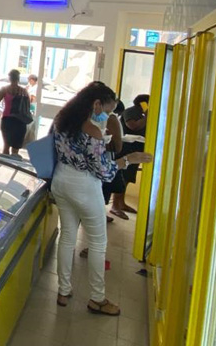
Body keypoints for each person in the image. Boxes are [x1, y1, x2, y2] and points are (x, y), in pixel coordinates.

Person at [51, 81, 153, 316]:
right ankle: (97, 298)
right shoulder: (93, 131)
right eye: (107, 110)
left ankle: (63, 291)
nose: (108, 116)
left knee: (67, 236)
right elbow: (104, 172)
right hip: (84, 187)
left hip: (61, 181)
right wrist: (129, 159)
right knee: (98, 243)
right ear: (96, 104)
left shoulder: (61, 120)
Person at [109, 97, 149, 219]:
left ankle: (121, 203)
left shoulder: (141, 113)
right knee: (122, 177)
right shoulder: (132, 111)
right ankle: (115, 206)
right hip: (127, 149)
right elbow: (133, 126)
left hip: (136, 150)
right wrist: (147, 115)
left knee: (128, 178)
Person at [0, 69, 29, 156]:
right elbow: (27, 107)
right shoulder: (24, 91)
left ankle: (4, 162)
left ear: (9, 78)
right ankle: (13, 163)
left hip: (8, 120)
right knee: (15, 150)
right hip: (20, 122)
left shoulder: (5, 89)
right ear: (18, 79)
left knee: (6, 147)